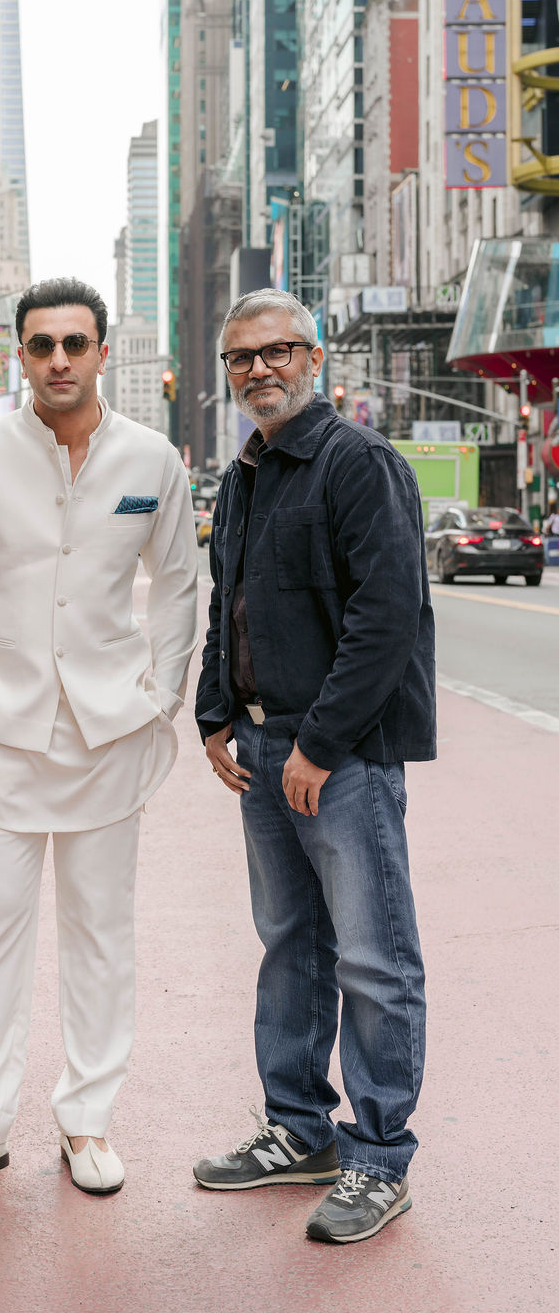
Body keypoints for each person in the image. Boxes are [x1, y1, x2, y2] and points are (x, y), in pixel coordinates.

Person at [0, 277, 199, 1203]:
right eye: (42, 345)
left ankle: (88, 1119)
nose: (59, 360)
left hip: (110, 731)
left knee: (101, 933)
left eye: (75, 343)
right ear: (22, 355)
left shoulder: (152, 459)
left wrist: (160, 701)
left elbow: (178, 585)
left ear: (102, 351)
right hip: (0, 727)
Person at [193, 289, 434, 1245]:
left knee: (374, 959)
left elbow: (385, 620)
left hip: (340, 757)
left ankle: (379, 1159)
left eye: (278, 350)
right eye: (241, 357)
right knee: (290, 946)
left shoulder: (358, 462)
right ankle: (299, 1129)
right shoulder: (245, 473)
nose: (259, 369)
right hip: (262, 749)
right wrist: (215, 713)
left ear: (316, 356)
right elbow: (230, 603)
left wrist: (318, 747)